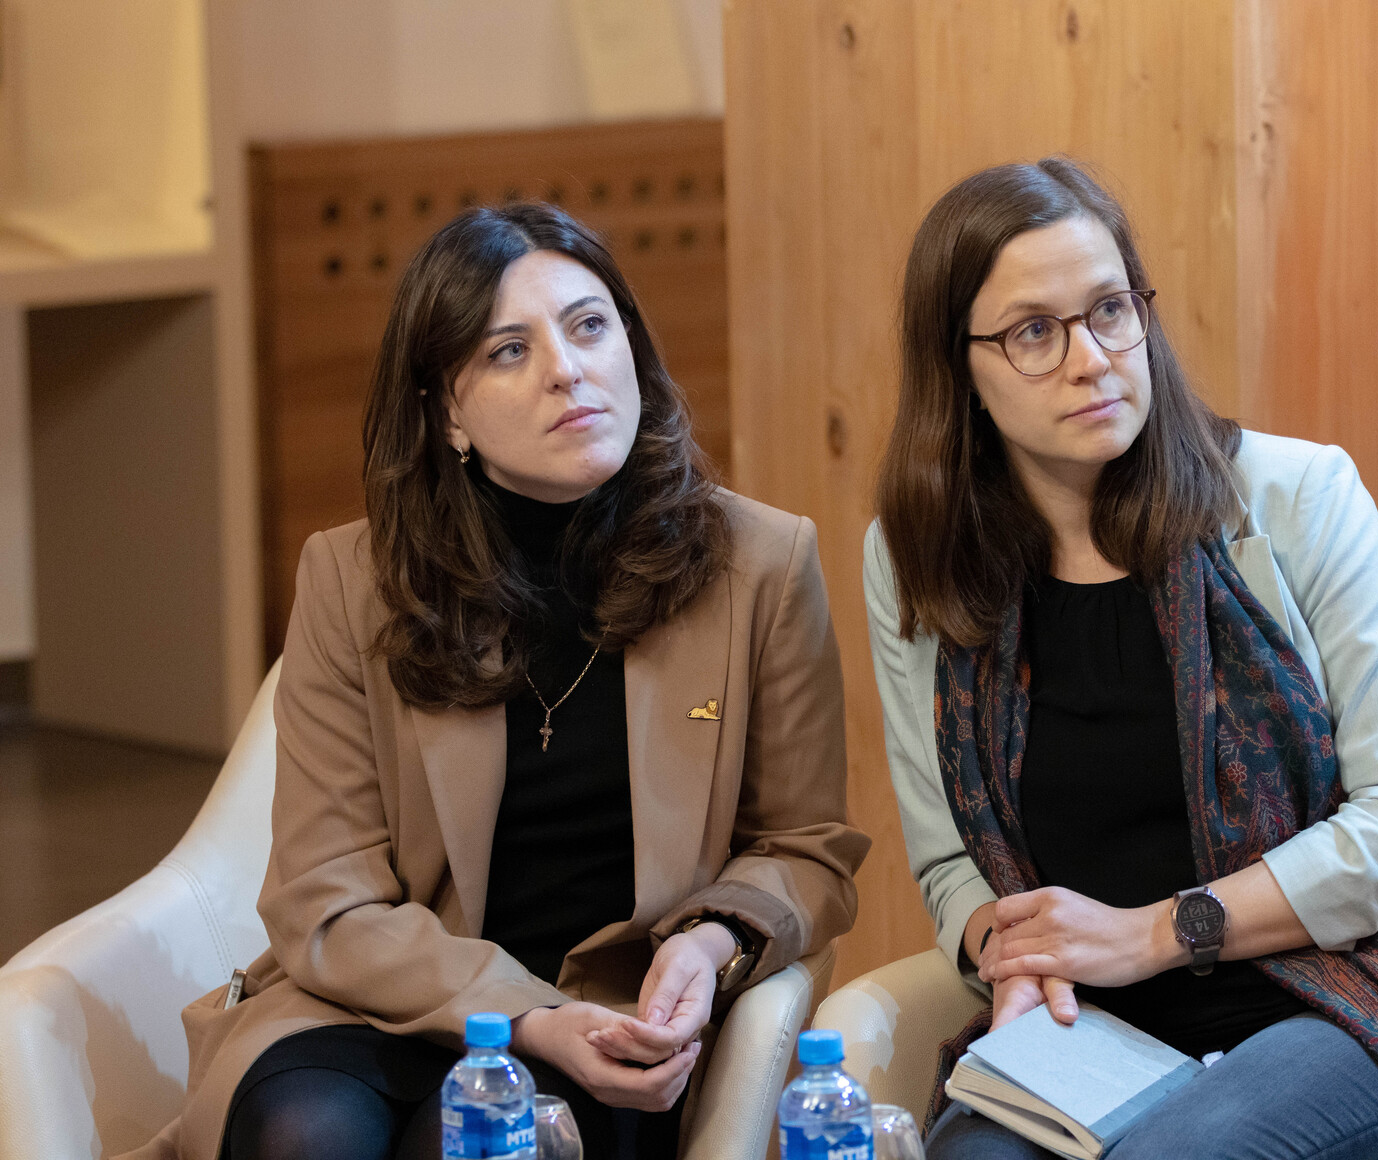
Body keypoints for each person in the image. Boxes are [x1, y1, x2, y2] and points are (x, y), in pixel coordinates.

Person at [123, 203, 869, 1160]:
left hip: (600, 1021)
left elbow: (804, 846)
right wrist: (519, 1016)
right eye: (509, 351)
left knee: (477, 1145)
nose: (567, 369)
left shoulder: (761, 563)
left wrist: (713, 936)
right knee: (302, 1135)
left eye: (590, 326)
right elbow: (325, 895)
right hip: (376, 1003)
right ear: (447, 414)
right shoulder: (355, 580)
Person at [864, 158, 1378, 1160]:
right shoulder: (914, 557)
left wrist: (1157, 932)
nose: (1092, 359)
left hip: (1345, 997)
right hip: (1093, 1027)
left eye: (1110, 310)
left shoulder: (1297, 498)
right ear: (957, 368)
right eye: (1034, 332)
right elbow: (948, 858)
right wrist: (1010, 952)